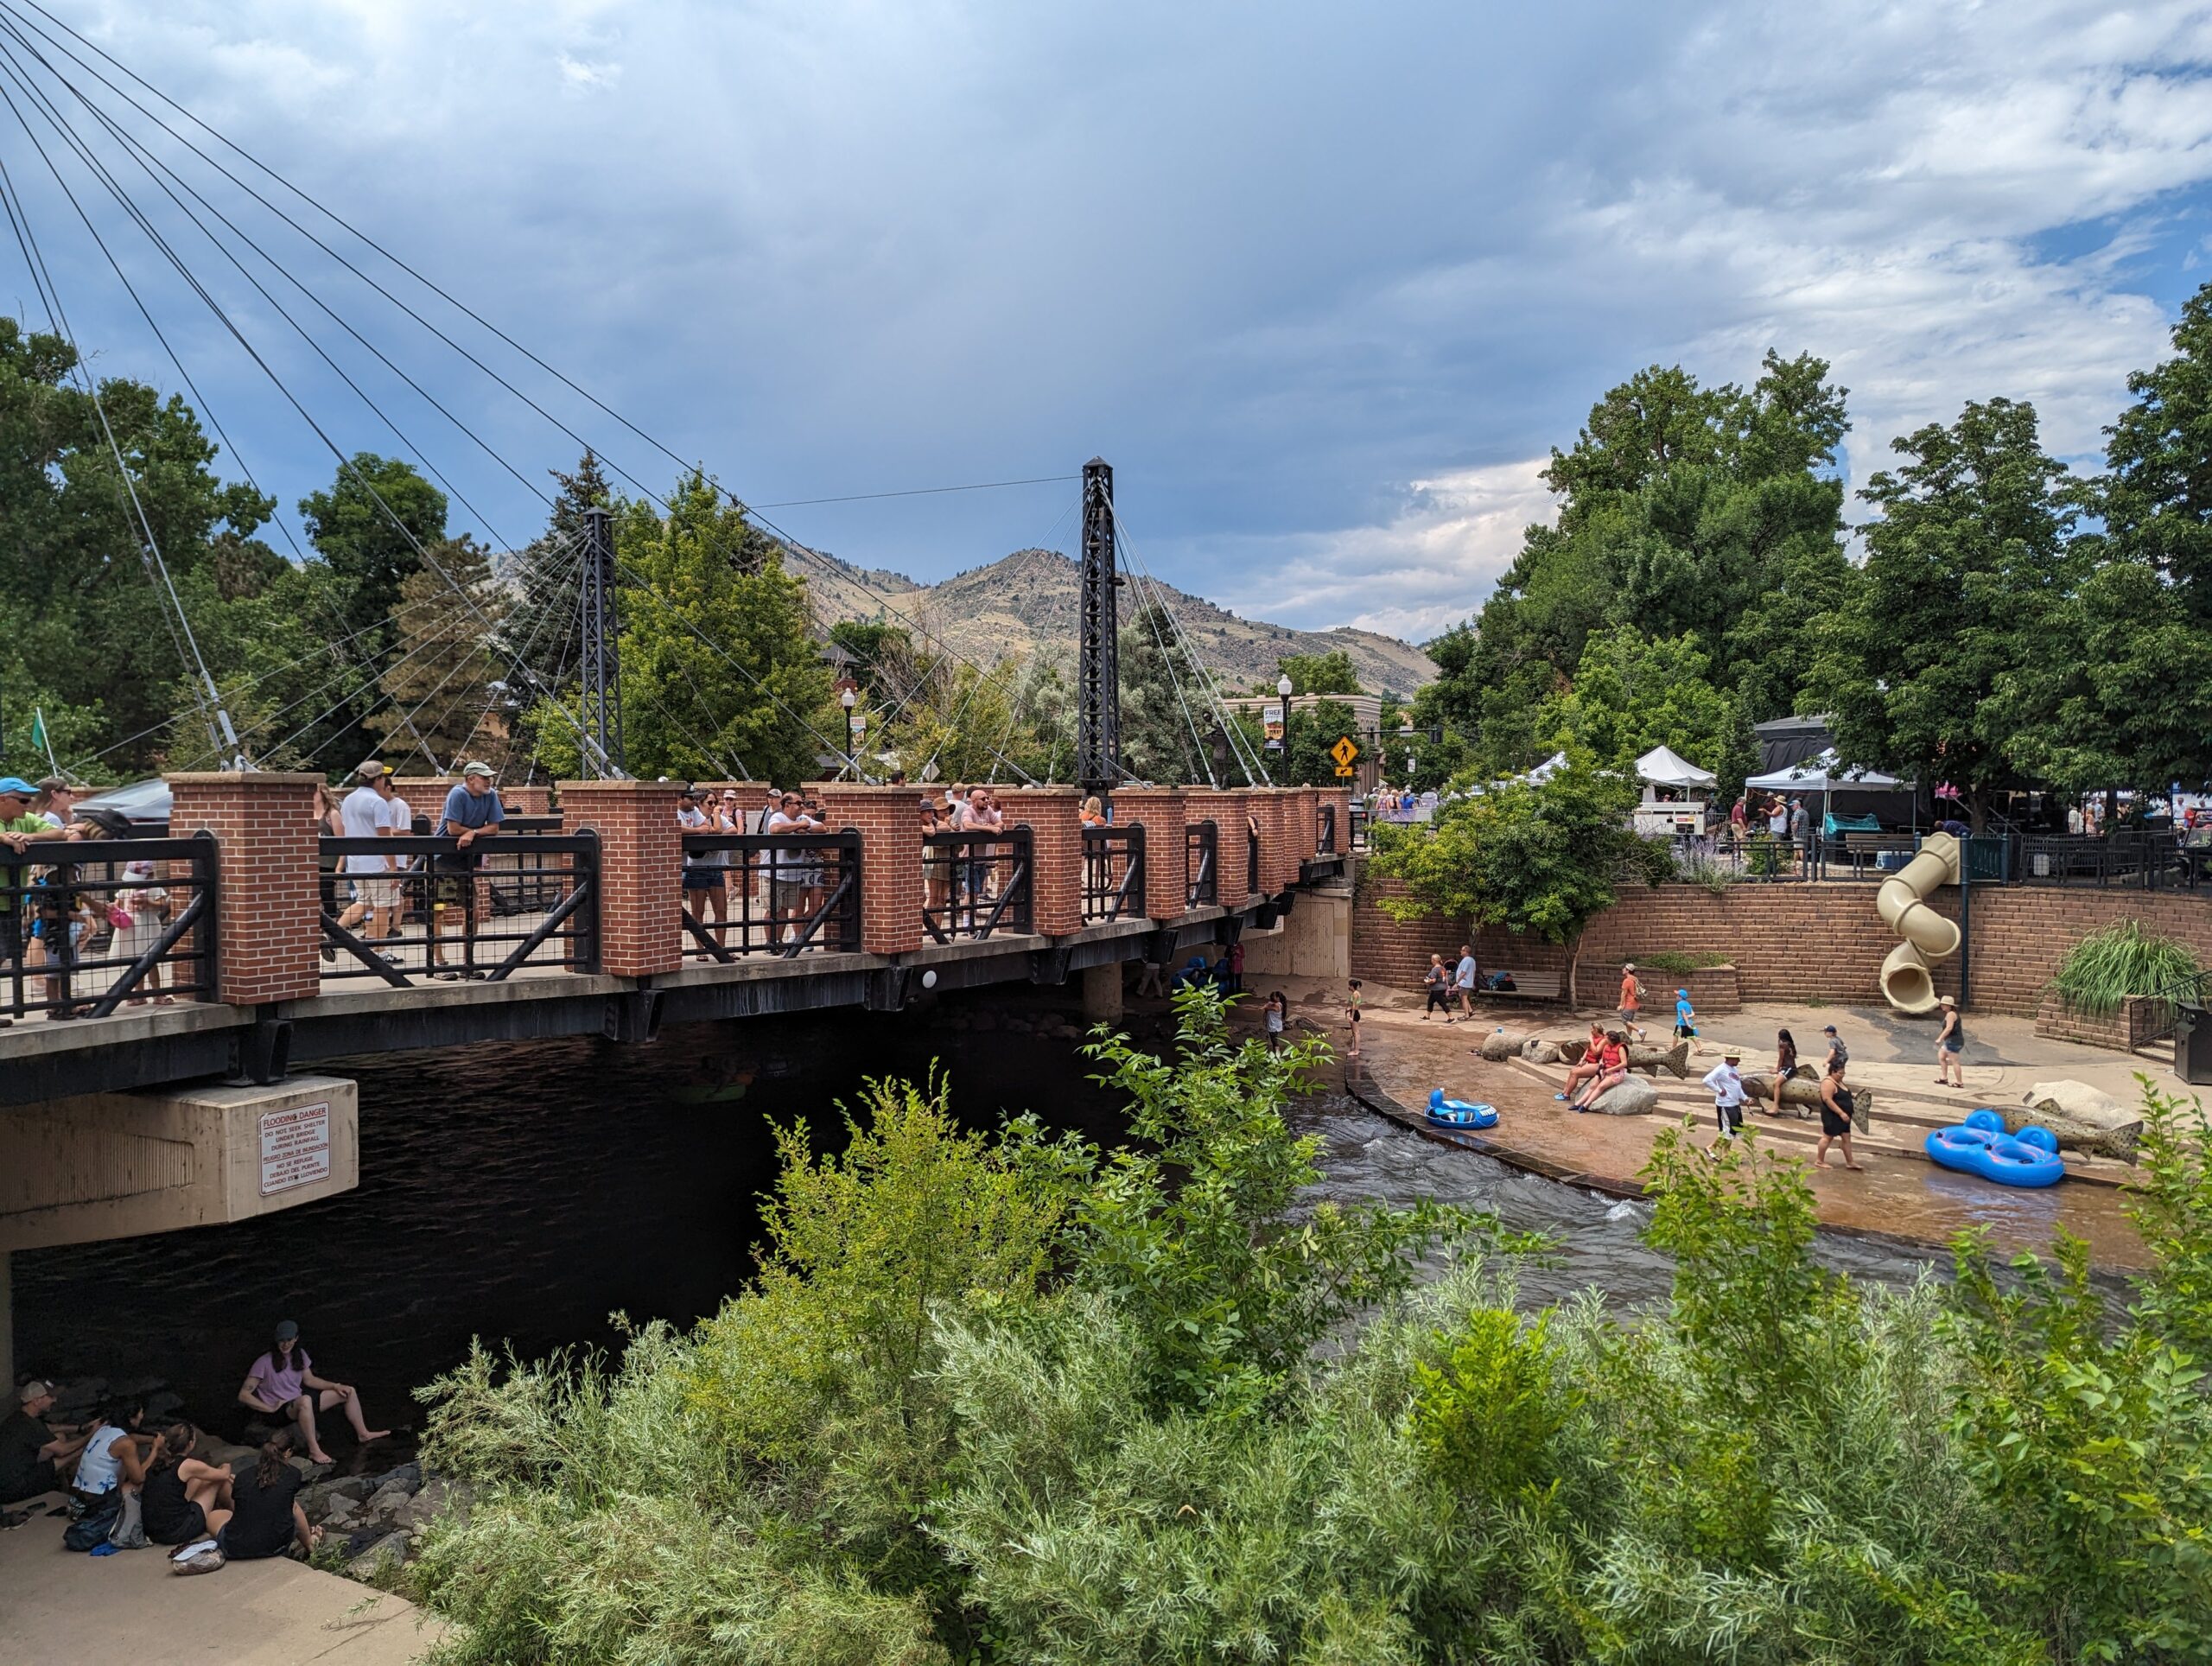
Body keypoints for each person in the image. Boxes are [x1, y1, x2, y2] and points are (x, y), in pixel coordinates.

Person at [237, 1319, 388, 1466]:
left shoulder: (299, 1355)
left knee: (348, 1391)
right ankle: (314, 1450)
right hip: (278, 1411)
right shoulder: (263, 1362)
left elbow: (310, 1380)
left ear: (296, 1338)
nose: (285, 1344)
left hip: (297, 1403)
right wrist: (268, 1408)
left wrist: (336, 1386)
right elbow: (244, 1395)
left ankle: (363, 1434)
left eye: (289, 1339)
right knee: (305, 1400)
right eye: (281, 1340)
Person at [430, 762, 505, 979]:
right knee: (438, 909)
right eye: (484, 777)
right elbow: (453, 829)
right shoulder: (458, 794)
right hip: (444, 861)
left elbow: (495, 828)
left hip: (466, 860)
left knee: (472, 908)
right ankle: (439, 964)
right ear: (471, 778)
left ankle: (467, 963)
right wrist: (474, 832)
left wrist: (472, 833)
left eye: (489, 777)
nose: (489, 781)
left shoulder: (490, 795)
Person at [334, 761, 407, 954]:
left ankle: (333, 933)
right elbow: (384, 838)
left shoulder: (348, 799)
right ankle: (380, 951)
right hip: (377, 863)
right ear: (379, 780)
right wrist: (393, 869)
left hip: (356, 861)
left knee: (363, 902)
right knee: (382, 906)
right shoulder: (377, 802)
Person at [220, 1441, 317, 1561]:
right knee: (293, 1506)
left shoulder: (242, 1476)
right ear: (287, 1453)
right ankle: (309, 1544)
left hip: (235, 1548)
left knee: (215, 1516)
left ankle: (240, 1525)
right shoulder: (293, 1474)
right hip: (277, 1546)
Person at [140, 1423, 233, 1546]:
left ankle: (225, 1513)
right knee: (219, 1480)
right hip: (177, 1531)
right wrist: (226, 1465)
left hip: (154, 1531)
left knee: (201, 1478)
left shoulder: (156, 1461)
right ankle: (235, 1517)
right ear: (190, 1444)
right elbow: (224, 1475)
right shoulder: (189, 1465)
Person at [1, 1379, 86, 1503]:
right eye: (50, 1397)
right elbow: (63, 1450)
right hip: (13, 1488)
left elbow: (52, 1428)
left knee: (59, 1437)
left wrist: (81, 1428)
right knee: (64, 1456)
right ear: (36, 1401)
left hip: (8, 1478)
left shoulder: (17, 1418)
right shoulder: (30, 1425)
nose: (55, 1400)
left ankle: (63, 1482)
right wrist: (89, 1439)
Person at [69, 1393, 150, 1506]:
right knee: (136, 1485)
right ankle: (124, 1515)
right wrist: (155, 1451)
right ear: (132, 1417)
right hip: (99, 1501)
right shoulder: (126, 1444)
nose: (142, 1416)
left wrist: (153, 1439)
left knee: (123, 1464)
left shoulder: (104, 1430)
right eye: (141, 1413)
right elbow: (138, 1478)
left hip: (83, 1494)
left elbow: (131, 1438)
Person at [677, 786, 729, 955]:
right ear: (680, 798)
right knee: (698, 912)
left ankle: (721, 949)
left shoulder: (694, 813)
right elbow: (675, 828)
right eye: (690, 798)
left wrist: (703, 827)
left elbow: (712, 829)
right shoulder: (674, 812)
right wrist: (697, 831)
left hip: (714, 869)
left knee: (721, 911)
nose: (693, 801)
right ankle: (701, 950)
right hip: (694, 868)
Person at [765, 792, 823, 943]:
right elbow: (775, 829)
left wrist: (806, 828)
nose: (801, 806)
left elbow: (822, 828)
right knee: (773, 909)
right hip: (774, 872)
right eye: (798, 803)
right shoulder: (777, 817)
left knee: (784, 910)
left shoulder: (803, 818)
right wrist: (798, 826)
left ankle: (778, 941)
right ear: (787, 805)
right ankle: (770, 943)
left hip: (793, 874)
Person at [1815, 1059, 1865, 1170]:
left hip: (1845, 1116)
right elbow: (1827, 1100)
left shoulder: (1839, 1081)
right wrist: (1841, 1113)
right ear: (1832, 1072)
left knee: (1846, 1138)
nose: (1842, 1075)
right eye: (1840, 1073)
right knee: (1827, 1137)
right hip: (1833, 1115)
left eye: (1843, 1073)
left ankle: (1850, 1161)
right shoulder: (1828, 1082)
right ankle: (1819, 1160)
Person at [1572, 1030, 1629, 1111]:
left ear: (1610, 1039)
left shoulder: (1621, 1048)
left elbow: (1624, 1063)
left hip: (1616, 1072)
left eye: (1606, 1038)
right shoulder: (1606, 1047)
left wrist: (1611, 1069)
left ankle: (1585, 1105)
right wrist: (1602, 1067)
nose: (1605, 1040)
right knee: (1592, 1086)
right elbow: (1602, 1059)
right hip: (1604, 1069)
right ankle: (1578, 1104)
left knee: (1601, 1086)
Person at [1556, 1021, 1610, 1101]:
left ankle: (1567, 1095)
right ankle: (1564, 1092)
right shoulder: (1592, 1037)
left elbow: (1596, 1051)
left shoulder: (1604, 1040)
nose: (1590, 1030)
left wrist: (1591, 1041)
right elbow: (1588, 1049)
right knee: (1572, 1071)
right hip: (1590, 1062)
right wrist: (1582, 1059)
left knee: (1575, 1073)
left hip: (1598, 1064)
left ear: (1596, 1030)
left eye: (1592, 1029)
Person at [1703, 1049, 1748, 1137]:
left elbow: (1737, 1086)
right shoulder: (1721, 1069)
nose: (1739, 1061)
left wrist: (1745, 1098)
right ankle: (1715, 1148)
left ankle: (1718, 1149)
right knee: (1726, 1132)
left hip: (1734, 1104)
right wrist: (1719, 1090)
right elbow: (1706, 1080)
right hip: (1725, 1105)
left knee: (1733, 1132)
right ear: (1730, 1058)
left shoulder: (1734, 1069)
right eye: (1737, 1058)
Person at [1934, 994, 1966, 1088]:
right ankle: (1944, 1078)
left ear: (1949, 1006)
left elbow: (1949, 1028)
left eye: (1944, 1004)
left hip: (1953, 1041)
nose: (1942, 1006)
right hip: (1951, 1041)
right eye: (1942, 1004)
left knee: (1954, 1061)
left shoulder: (1951, 1014)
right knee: (1941, 1055)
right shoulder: (1951, 1014)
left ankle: (1959, 1082)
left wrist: (1940, 1038)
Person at [1617, 963, 1645, 1041]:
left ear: (1628, 970)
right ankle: (1629, 1037)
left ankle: (1641, 1031)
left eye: (1624, 968)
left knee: (1625, 1021)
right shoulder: (1635, 979)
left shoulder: (1627, 980)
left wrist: (1621, 1005)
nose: (1622, 970)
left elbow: (1624, 994)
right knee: (1629, 1022)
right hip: (1635, 1003)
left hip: (1629, 1004)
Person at [1452, 943, 1478, 1023]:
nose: (1460, 951)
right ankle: (1470, 1011)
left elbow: (1463, 973)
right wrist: (1472, 982)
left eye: (1462, 950)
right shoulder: (1472, 960)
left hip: (1464, 982)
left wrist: (1457, 982)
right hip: (1468, 982)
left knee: (1463, 999)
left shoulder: (1466, 960)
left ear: (1466, 951)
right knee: (1464, 997)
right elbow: (1473, 972)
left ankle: (1467, 1015)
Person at [1421, 953, 1451, 1018]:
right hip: (1442, 987)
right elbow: (1446, 978)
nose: (1431, 960)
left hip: (1437, 989)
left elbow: (1433, 980)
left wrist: (1427, 982)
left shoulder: (1434, 969)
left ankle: (1451, 1017)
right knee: (1430, 1001)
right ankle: (1427, 1016)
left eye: (1432, 959)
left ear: (1434, 960)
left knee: (1442, 1003)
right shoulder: (1443, 968)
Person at [1344, 978, 1363, 1059]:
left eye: (1349, 985)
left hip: (1354, 1014)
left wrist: (1351, 1017)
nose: (1348, 987)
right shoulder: (1356, 993)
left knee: (1356, 1033)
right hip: (1354, 1013)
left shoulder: (1355, 994)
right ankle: (1355, 1049)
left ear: (1352, 986)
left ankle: (1356, 1050)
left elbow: (1355, 1007)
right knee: (1355, 1033)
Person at [1263, 989, 1287, 1053]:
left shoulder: (1277, 1005)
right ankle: (1275, 1053)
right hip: (1274, 1024)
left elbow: (1268, 1008)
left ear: (1278, 998)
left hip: (1274, 1025)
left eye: (1274, 997)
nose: (1272, 998)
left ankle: (1277, 1054)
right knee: (1274, 1040)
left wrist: (1264, 1007)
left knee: (1274, 1041)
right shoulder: (1278, 1004)